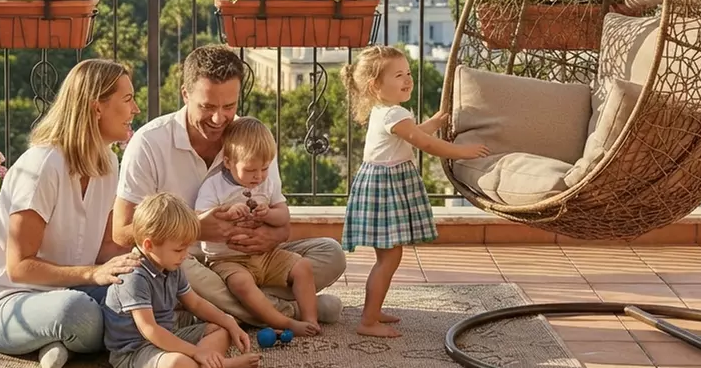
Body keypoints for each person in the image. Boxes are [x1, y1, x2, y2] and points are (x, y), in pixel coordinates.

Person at [114, 45, 345, 327]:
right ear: (185, 94)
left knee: (330, 252)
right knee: (182, 268)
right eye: (208, 106)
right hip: (187, 261)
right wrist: (195, 228)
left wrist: (269, 236)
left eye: (229, 106)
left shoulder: (253, 139)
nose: (218, 119)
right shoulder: (149, 143)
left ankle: (219, 311)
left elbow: (283, 228)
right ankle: (288, 313)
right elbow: (122, 233)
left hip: (254, 261)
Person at [0, 59, 142, 368]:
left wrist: (152, 256)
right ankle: (80, 333)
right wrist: (91, 274)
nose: (135, 109)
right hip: (3, 304)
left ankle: (65, 343)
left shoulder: (108, 164)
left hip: (68, 290)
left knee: (147, 290)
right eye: (127, 100)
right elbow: (19, 267)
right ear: (96, 107)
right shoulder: (42, 165)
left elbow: (106, 249)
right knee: (76, 314)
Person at [339, 46, 488, 338]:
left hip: (383, 185)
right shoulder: (394, 113)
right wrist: (464, 152)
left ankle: (373, 309)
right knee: (389, 258)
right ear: (375, 85)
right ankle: (368, 321)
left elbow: (413, 134)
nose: (408, 79)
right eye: (399, 75)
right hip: (386, 188)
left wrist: (433, 123)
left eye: (408, 73)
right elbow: (425, 144)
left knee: (388, 256)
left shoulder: (386, 111)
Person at [105, 192, 261, 368]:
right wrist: (196, 352)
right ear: (149, 245)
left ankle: (205, 362)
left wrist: (229, 322)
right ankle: (225, 365)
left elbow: (195, 303)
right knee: (177, 367)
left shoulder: (171, 265)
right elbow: (150, 330)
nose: (184, 255)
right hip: (136, 351)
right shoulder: (134, 276)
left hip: (170, 335)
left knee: (221, 330)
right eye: (179, 250)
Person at [195, 117, 320, 337]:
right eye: (251, 170)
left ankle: (309, 319)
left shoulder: (267, 183)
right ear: (228, 162)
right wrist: (227, 213)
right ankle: (284, 321)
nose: (259, 176)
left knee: (304, 267)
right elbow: (198, 220)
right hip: (228, 260)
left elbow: (283, 218)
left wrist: (269, 213)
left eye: (264, 168)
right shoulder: (214, 186)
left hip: (266, 256)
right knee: (242, 284)